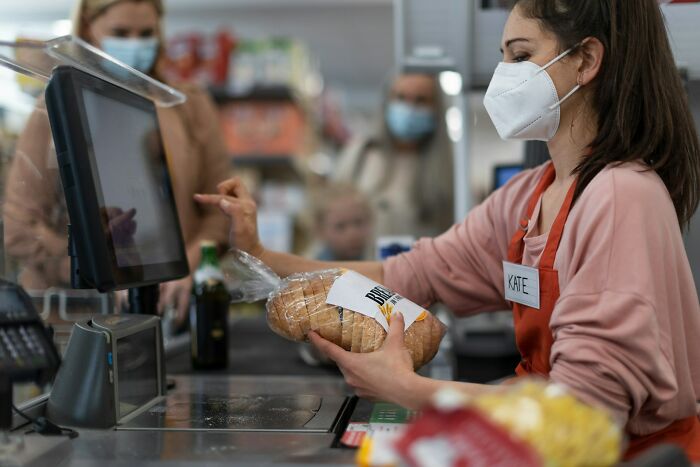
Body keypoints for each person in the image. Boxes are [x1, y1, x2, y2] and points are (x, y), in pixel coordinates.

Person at [196, 0, 700, 460]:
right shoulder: (529, 196)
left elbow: (584, 412)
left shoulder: (618, 197)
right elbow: (407, 274)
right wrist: (259, 253)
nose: (505, 75)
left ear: (587, 61)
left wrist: (407, 389)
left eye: (521, 56)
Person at [3, 0, 230, 322]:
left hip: (168, 312)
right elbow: (20, 229)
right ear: (86, 29)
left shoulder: (187, 103)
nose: (135, 44)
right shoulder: (56, 104)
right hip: (77, 315)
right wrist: (103, 272)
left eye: (146, 33)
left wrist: (189, 263)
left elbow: (219, 209)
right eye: (121, 32)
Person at [334, 73, 453, 239]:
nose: (409, 108)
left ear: (436, 109)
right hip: (360, 264)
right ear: (387, 102)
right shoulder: (359, 155)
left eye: (421, 100)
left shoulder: (447, 171)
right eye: (401, 97)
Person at [310, 182, 373, 262]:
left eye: (358, 222)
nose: (353, 234)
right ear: (320, 231)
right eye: (340, 226)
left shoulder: (380, 263)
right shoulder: (312, 272)